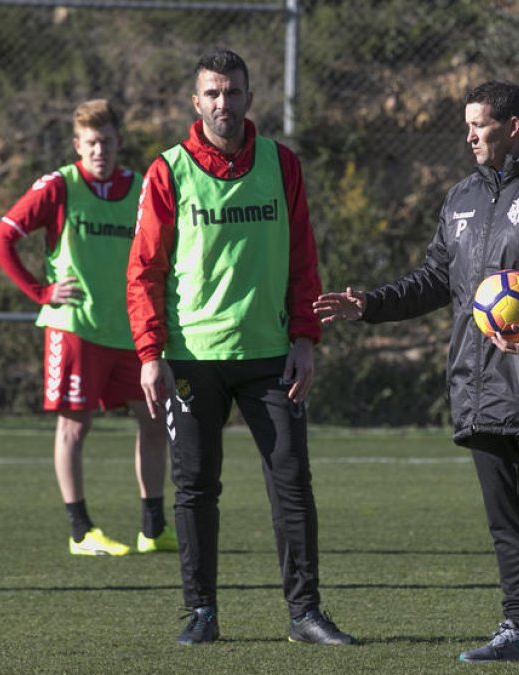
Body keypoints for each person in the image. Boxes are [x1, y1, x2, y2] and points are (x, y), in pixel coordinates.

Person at [314, 81, 519, 667]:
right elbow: (433, 280)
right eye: (468, 124)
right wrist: (369, 304)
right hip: (478, 383)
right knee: (504, 514)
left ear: (514, 127)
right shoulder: (461, 197)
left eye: (480, 124)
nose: (469, 135)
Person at [127, 48, 354, 647]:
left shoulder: (281, 164)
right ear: (195, 102)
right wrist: (151, 354)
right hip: (192, 360)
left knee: (291, 481)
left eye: (233, 93)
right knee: (196, 487)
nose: (223, 104)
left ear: (250, 98)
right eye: (212, 94)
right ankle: (200, 612)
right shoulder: (167, 170)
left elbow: (303, 256)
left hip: (270, 354)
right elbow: (144, 271)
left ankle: (305, 614)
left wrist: (306, 337)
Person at [0, 99, 173, 558]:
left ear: (118, 143)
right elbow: (1, 239)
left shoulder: (141, 188)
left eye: (107, 142)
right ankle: (81, 530)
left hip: (129, 329)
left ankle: (153, 528)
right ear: (77, 145)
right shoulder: (60, 186)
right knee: (75, 426)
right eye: (91, 143)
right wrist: (40, 290)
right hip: (75, 329)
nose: (99, 151)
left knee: (153, 421)